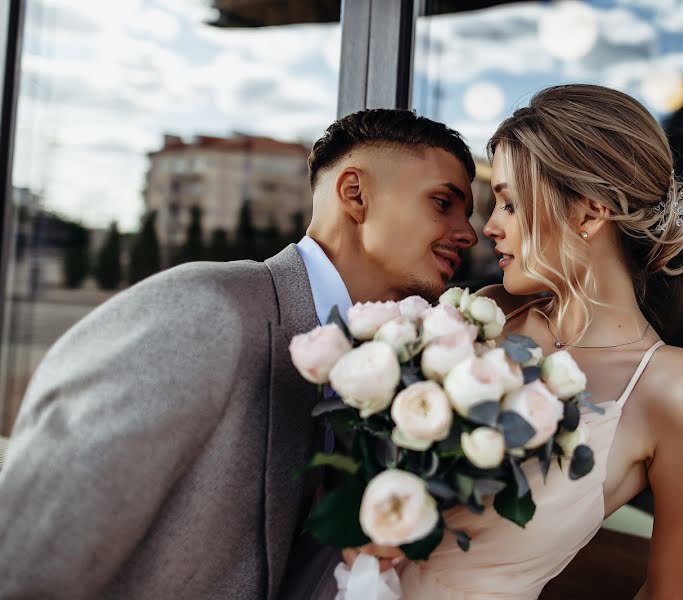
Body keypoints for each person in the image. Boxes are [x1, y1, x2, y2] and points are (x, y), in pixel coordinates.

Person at [0, 109, 477, 599]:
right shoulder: (205, 310)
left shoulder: (387, 369)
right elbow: (29, 559)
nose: (469, 233)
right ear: (355, 194)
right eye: (444, 203)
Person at [348, 84, 683, 599]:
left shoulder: (680, 394)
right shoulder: (481, 317)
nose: (489, 227)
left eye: (509, 203)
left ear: (589, 213)